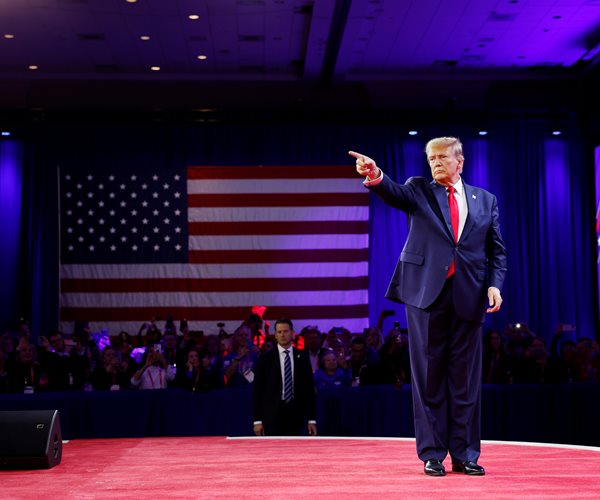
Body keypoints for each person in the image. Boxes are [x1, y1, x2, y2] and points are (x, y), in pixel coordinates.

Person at [350, 136, 507, 476]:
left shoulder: (485, 200)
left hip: (469, 295)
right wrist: (375, 174)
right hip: (425, 294)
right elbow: (393, 192)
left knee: (465, 380)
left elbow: (496, 250)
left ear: (459, 162)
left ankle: (465, 454)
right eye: (431, 158)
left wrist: (494, 285)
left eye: (442, 158)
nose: (435, 163)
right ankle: (432, 453)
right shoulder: (419, 189)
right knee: (428, 377)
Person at [253, 318, 317, 436]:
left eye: (286, 331)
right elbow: (258, 391)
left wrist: (311, 419)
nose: (282, 334)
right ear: (275, 335)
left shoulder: (302, 357)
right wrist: (257, 420)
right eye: (279, 332)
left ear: (292, 333)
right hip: (272, 415)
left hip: (297, 415)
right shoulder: (265, 359)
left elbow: (309, 390)